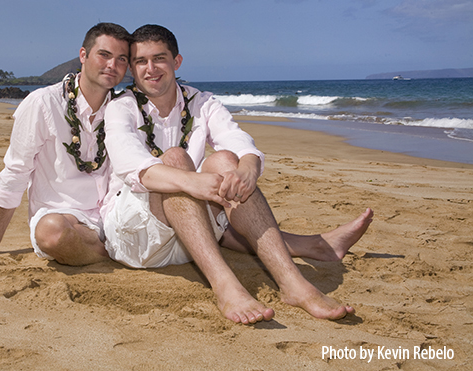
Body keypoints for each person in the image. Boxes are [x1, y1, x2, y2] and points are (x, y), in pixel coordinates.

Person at [101, 24, 373, 324]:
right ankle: (226, 285)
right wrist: (192, 182)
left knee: (227, 160)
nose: (150, 69)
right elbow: (130, 163)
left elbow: (237, 140)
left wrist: (248, 169)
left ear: (176, 62)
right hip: (138, 239)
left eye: (159, 58)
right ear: (133, 70)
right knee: (177, 158)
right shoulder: (121, 107)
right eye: (141, 61)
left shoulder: (201, 102)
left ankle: (292, 283)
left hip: (194, 239)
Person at [0, 23, 132, 265]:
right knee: (51, 233)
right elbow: (15, 172)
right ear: (83, 56)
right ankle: (112, 255)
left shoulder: (126, 107)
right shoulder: (43, 103)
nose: (112, 65)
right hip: (65, 218)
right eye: (104, 55)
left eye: (121, 59)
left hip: (113, 214)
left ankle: (105, 251)